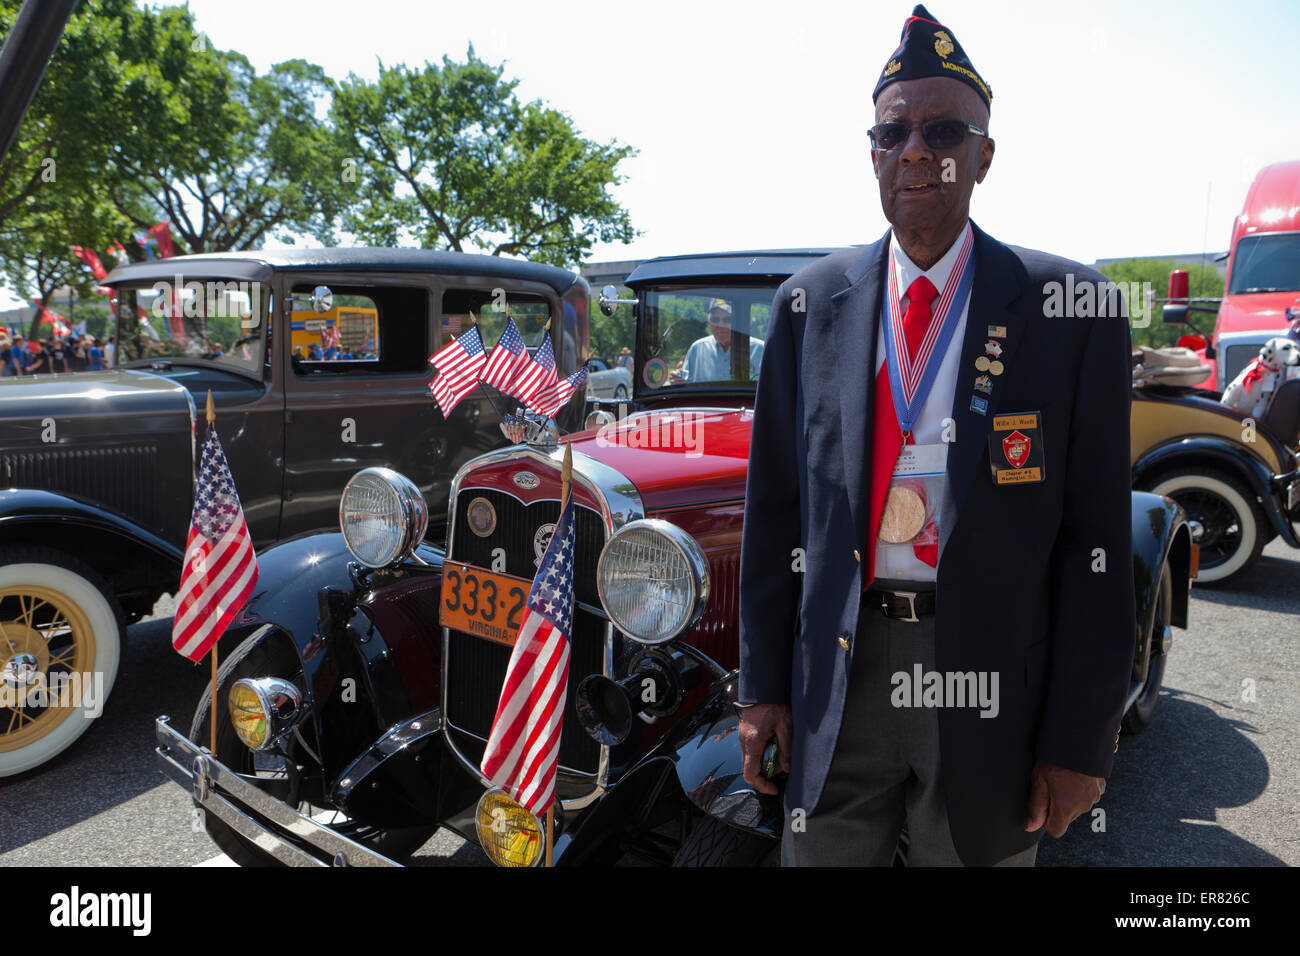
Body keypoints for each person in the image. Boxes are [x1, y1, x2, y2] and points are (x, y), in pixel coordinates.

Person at [738, 4, 1135, 867]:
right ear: (872, 153)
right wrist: (761, 688)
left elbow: (1096, 544)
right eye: (893, 132)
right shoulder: (807, 305)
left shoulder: (1074, 311)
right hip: (838, 676)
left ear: (984, 155)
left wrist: (1081, 740)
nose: (916, 150)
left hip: (992, 682)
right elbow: (774, 517)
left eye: (944, 130)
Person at [675, 298, 765, 383]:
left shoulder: (761, 350)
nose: (720, 325)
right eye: (715, 319)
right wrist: (677, 380)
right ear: (708, 321)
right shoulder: (697, 349)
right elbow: (684, 384)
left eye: (727, 320)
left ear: (737, 321)